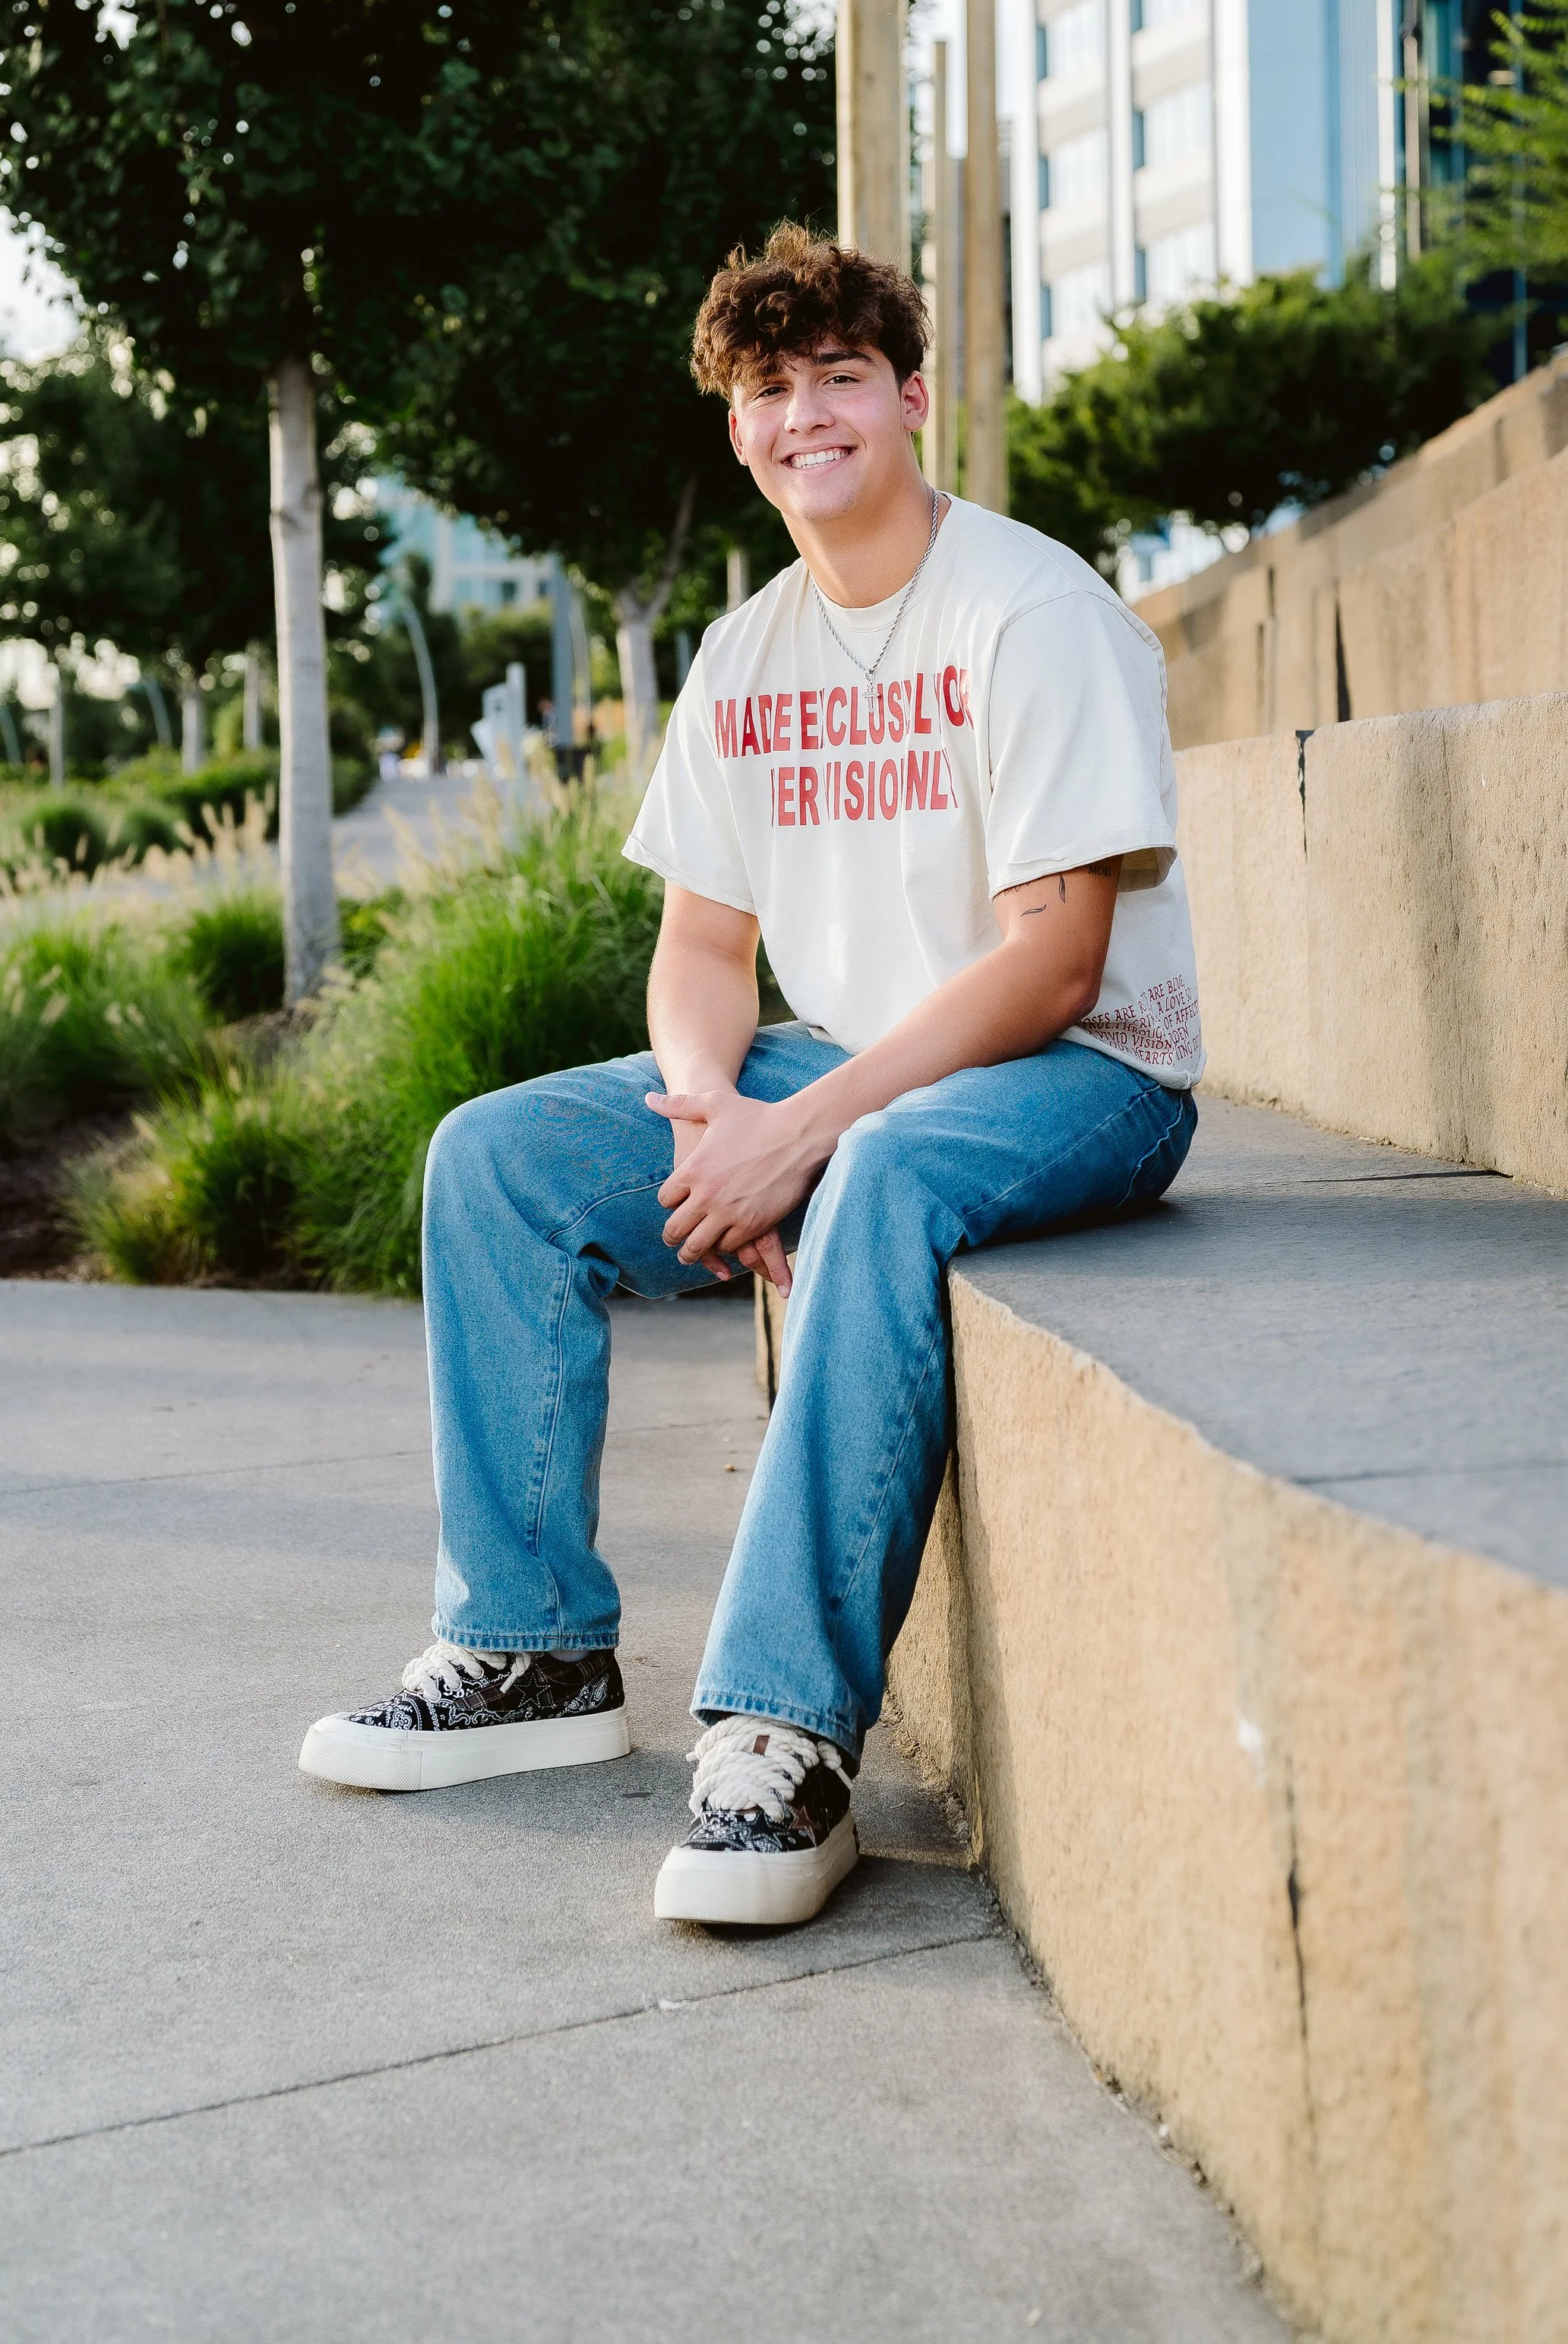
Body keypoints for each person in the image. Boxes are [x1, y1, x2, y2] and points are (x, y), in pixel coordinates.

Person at [299, 225, 1203, 1927]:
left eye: (841, 377)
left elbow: (1056, 959)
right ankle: (528, 1649)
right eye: (769, 389)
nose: (807, 415)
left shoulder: (1030, 608)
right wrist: (714, 1108)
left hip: (1078, 1074)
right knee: (494, 1161)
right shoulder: (744, 656)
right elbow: (701, 949)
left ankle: (784, 1736)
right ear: (735, 430)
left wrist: (804, 1130)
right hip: (839, 1064)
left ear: (909, 396)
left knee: (880, 1168)